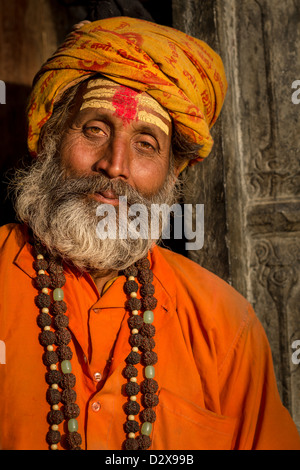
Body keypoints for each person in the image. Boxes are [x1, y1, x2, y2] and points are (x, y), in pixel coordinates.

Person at [0, 16, 299, 451]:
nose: (114, 164)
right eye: (95, 129)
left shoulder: (224, 323)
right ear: (50, 139)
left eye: (145, 144)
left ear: (171, 175)